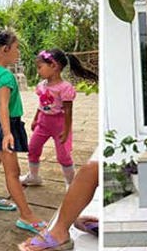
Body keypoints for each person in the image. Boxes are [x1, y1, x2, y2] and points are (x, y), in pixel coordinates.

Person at [0, 30, 46, 233]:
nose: (18, 52)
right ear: (4, 49)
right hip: (3, 125)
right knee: (13, 173)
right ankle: (26, 215)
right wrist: (7, 133)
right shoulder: (5, 76)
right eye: (16, 48)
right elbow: (3, 105)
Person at [20, 49, 97, 187]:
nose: (38, 71)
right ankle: (34, 176)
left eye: (40, 67)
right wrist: (36, 118)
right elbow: (42, 104)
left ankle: (71, 183)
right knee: (33, 148)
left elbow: (68, 110)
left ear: (53, 66)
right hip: (43, 122)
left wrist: (66, 130)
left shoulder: (65, 88)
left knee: (63, 156)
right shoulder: (41, 86)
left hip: (60, 124)